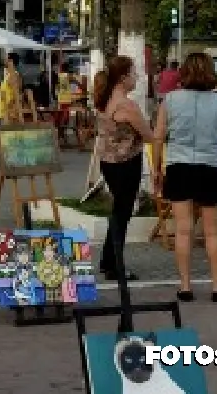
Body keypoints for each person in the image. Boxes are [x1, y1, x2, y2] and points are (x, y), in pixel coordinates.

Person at [152, 52, 217, 302]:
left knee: (182, 230)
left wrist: (157, 168)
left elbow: (159, 136)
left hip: (179, 166)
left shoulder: (169, 100)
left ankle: (185, 286)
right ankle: (216, 286)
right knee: (212, 231)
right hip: (211, 167)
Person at [94, 55, 153, 282]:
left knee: (119, 211)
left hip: (108, 162)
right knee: (122, 213)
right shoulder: (126, 105)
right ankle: (115, 264)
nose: (137, 77)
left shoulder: (105, 99)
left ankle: (108, 259)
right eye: (134, 73)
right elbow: (147, 135)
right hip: (125, 162)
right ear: (123, 77)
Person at [0, 52, 23, 123]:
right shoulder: (8, 75)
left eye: (6, 58)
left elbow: (17, 95)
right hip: (3, 113)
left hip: (9, 114)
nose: (4, 60)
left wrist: (11, 110)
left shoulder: (14, 76)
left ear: (11, 61)